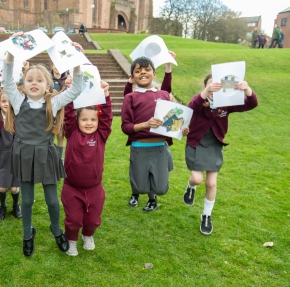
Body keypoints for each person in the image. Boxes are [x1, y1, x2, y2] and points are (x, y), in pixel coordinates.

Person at [2, 32, 85, 257]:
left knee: (52, 201)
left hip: (46, 155)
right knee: (26, 200)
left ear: (47, 83)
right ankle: (28, 234)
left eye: (39, 80)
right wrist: (11, 51)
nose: (34, 83)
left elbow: (76, 90)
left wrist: (77, 63)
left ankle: (56, 230)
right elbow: (7, 81)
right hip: (25, 155)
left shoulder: (54, 101)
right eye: (30, 80)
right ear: (24, 84)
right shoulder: (19, 101)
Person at [183, 75, 258, 235]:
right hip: (195, 143)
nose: (214, 89)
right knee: (197, 179)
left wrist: (247, 89)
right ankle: (191, 187)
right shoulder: (198, 101)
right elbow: (192, 106)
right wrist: (206, 91)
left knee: (211, 183)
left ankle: (206, 215)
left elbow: (252, 104)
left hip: (214, 146)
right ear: (205, 86)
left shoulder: (226, 104)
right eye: (211, 85)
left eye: (218, 86)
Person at [121, 57, 188, 212]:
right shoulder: (130, 97)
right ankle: (136, 194)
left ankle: (153, 199)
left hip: (159, 147)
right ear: (132, 77)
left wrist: (181, 130)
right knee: (141, 186)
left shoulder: (164, 95)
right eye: (138, 71)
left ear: (154, 73)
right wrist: (145, 124)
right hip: (139, 148)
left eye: (147, 69)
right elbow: (125, 127)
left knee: (161, 188)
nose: (143, 72)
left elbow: (172, 121)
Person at [62, 80, 112, 256]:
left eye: (92, 119)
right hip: (72, 187)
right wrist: (69, 91)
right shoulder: (72, 132)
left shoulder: (101, 135)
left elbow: (106, 118)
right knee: (73, 219)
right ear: (77, 120)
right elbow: (68, 114)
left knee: (93, 220)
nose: (89, 123)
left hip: (94, 188)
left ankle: (88, 236)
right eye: (84, 119)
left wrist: (106, 95)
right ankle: (71, 240)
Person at [0, 80, 22, 220]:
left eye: (9, 101)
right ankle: (2, 206)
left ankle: (15, 206)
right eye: (3, 101)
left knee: (14, 188)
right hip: (0, 155)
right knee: (2, 187)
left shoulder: (18, 118)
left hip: (16, 156)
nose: (6, 104)